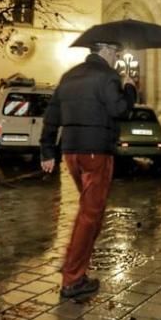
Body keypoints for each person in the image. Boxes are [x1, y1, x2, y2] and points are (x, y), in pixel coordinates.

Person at [40, 41, 136, 299]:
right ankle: (72, 278)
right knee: (90, 214)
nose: (117, 56)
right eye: (115, 52)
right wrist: (129, 89)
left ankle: (76, 264)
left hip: (71, 153)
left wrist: (47, 150)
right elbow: (121, 111)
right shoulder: (107, 76)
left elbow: (52, 114)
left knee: (91, 211)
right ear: (104, 50)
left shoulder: (69, 75)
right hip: (96, 153)